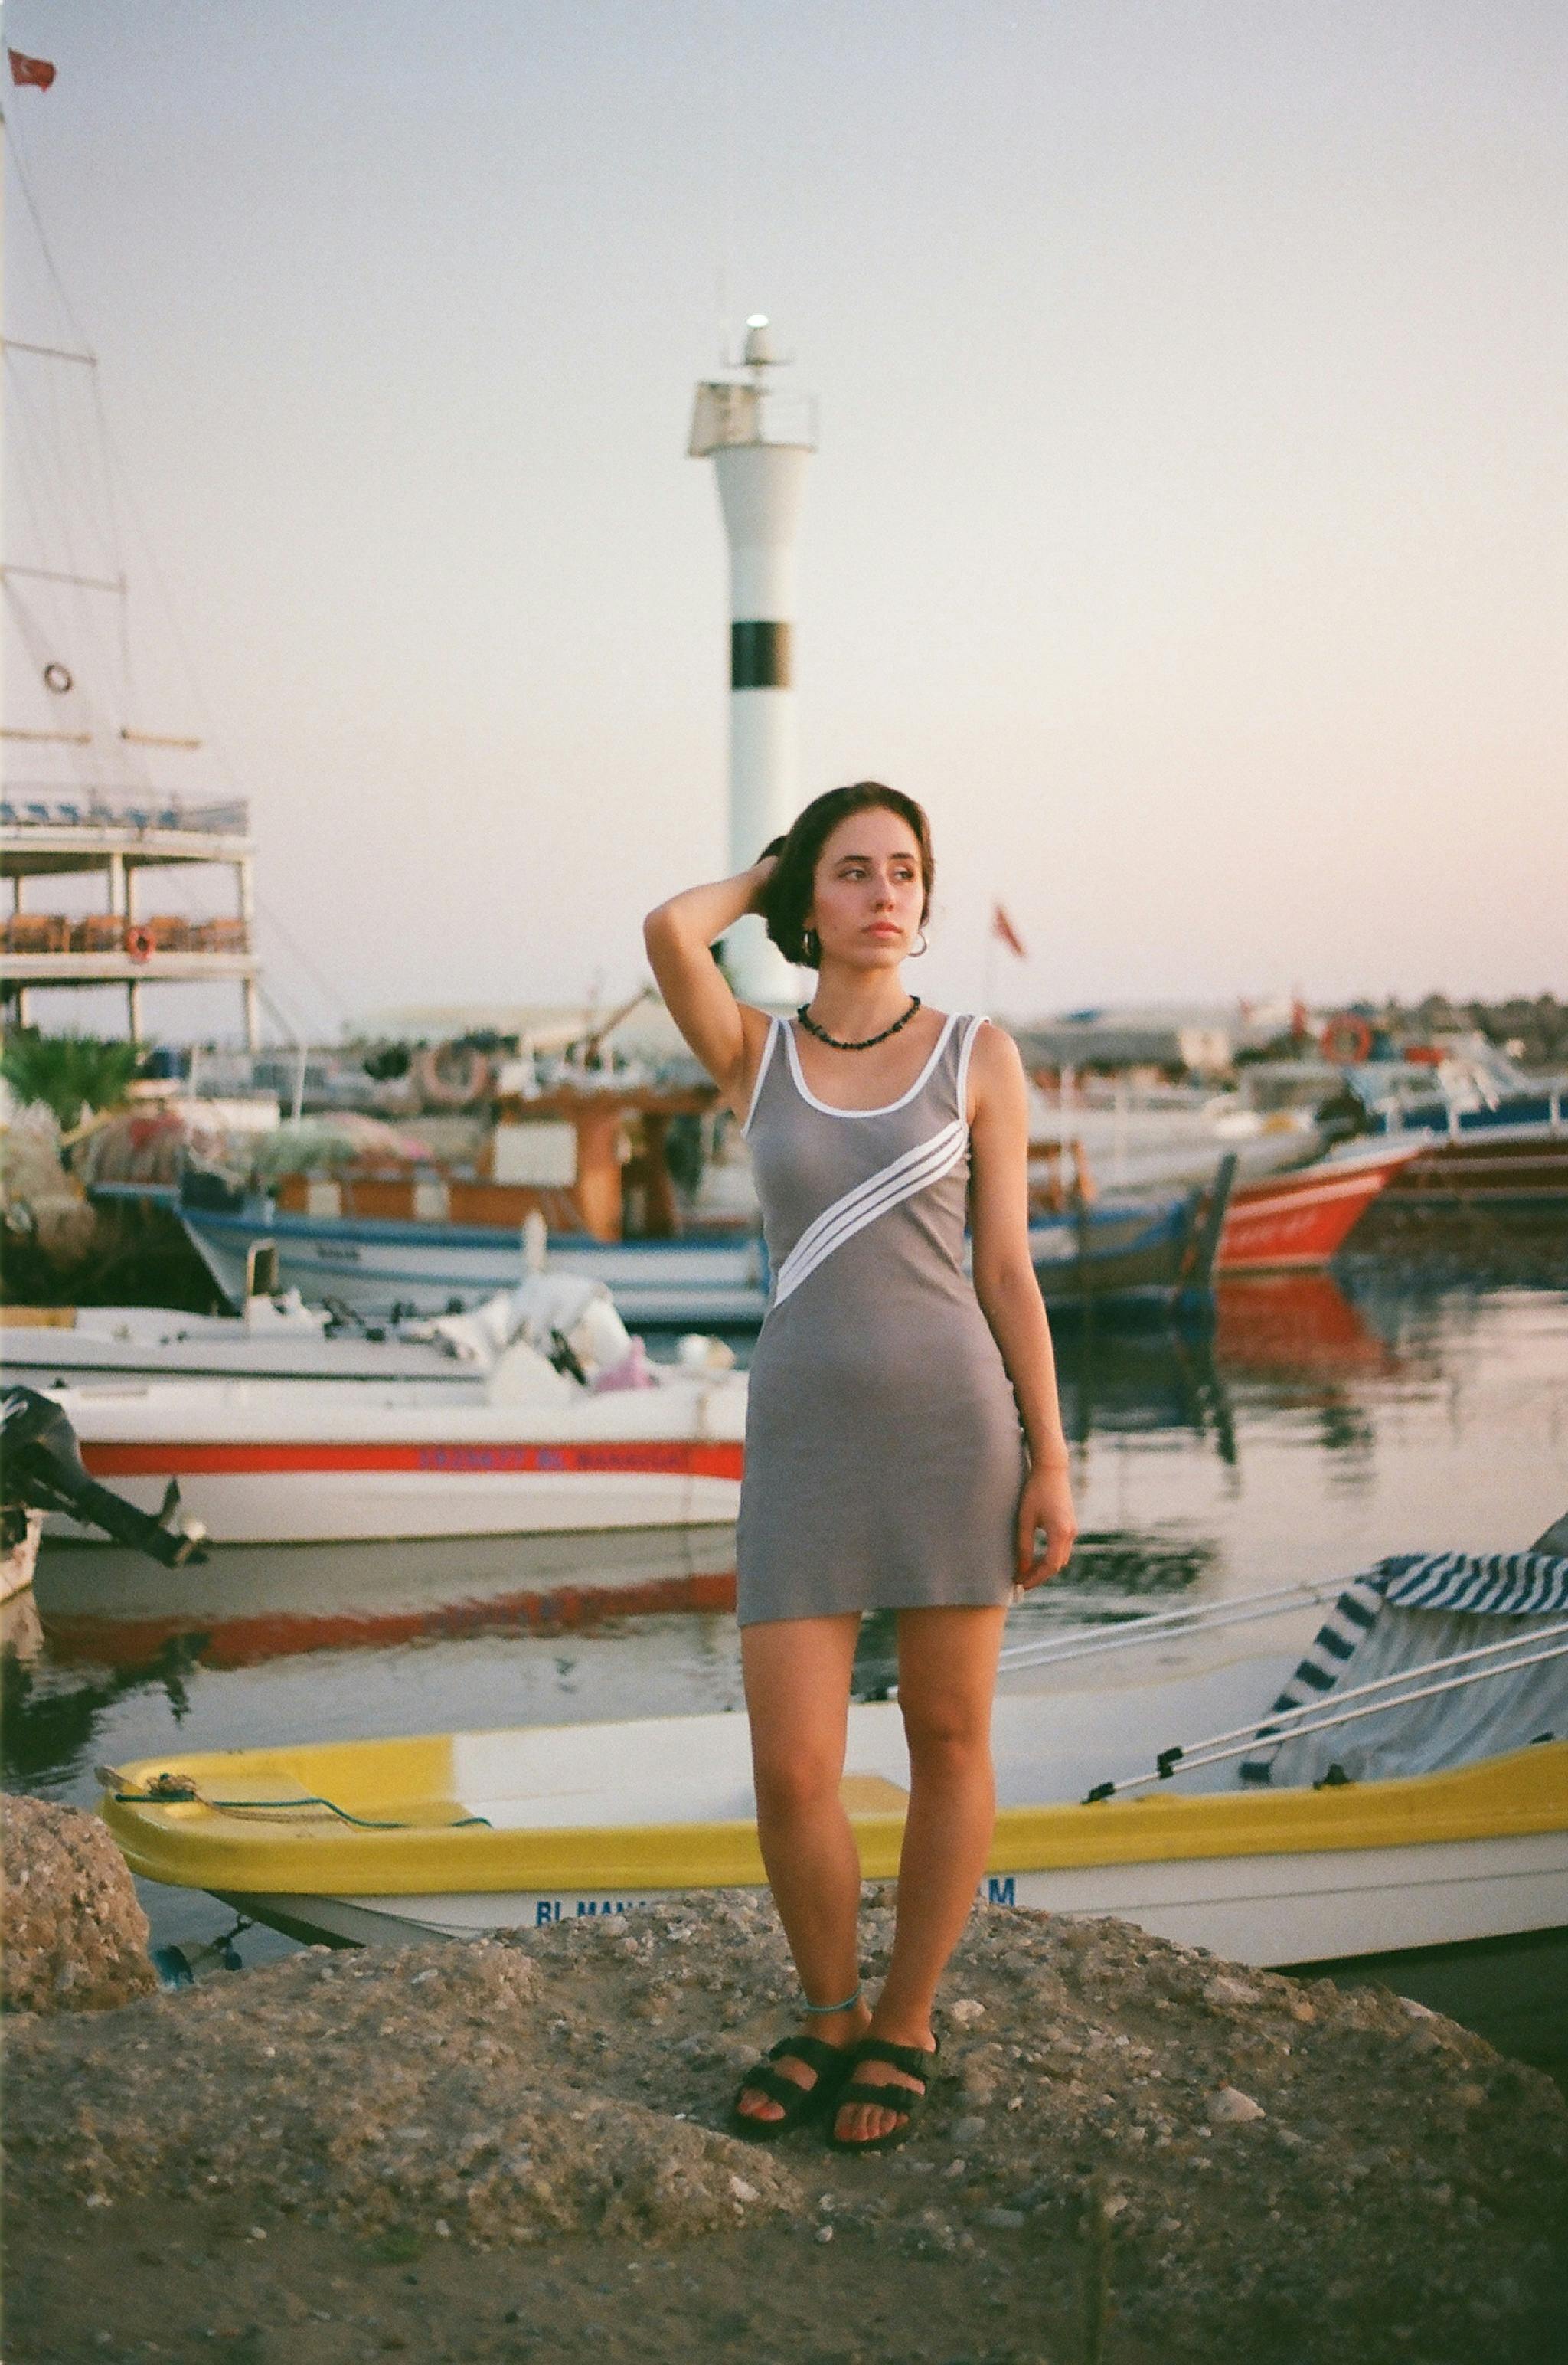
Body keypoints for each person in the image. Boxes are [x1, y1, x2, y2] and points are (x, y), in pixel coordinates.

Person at [643, 781, 1076, 2152]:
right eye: (851, 871)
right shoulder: (753, 1054)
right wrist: (763, 871)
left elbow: (1006, 1272)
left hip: (957, 1436)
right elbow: (669, 930)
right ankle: (826, 2010)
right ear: (807, 901)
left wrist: (1052, 1460)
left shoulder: (978, 1054)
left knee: (948, 1740)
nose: (885, 893)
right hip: (803, 1447)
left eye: (904, 870)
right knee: (792, 1770)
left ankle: (906, 2019)